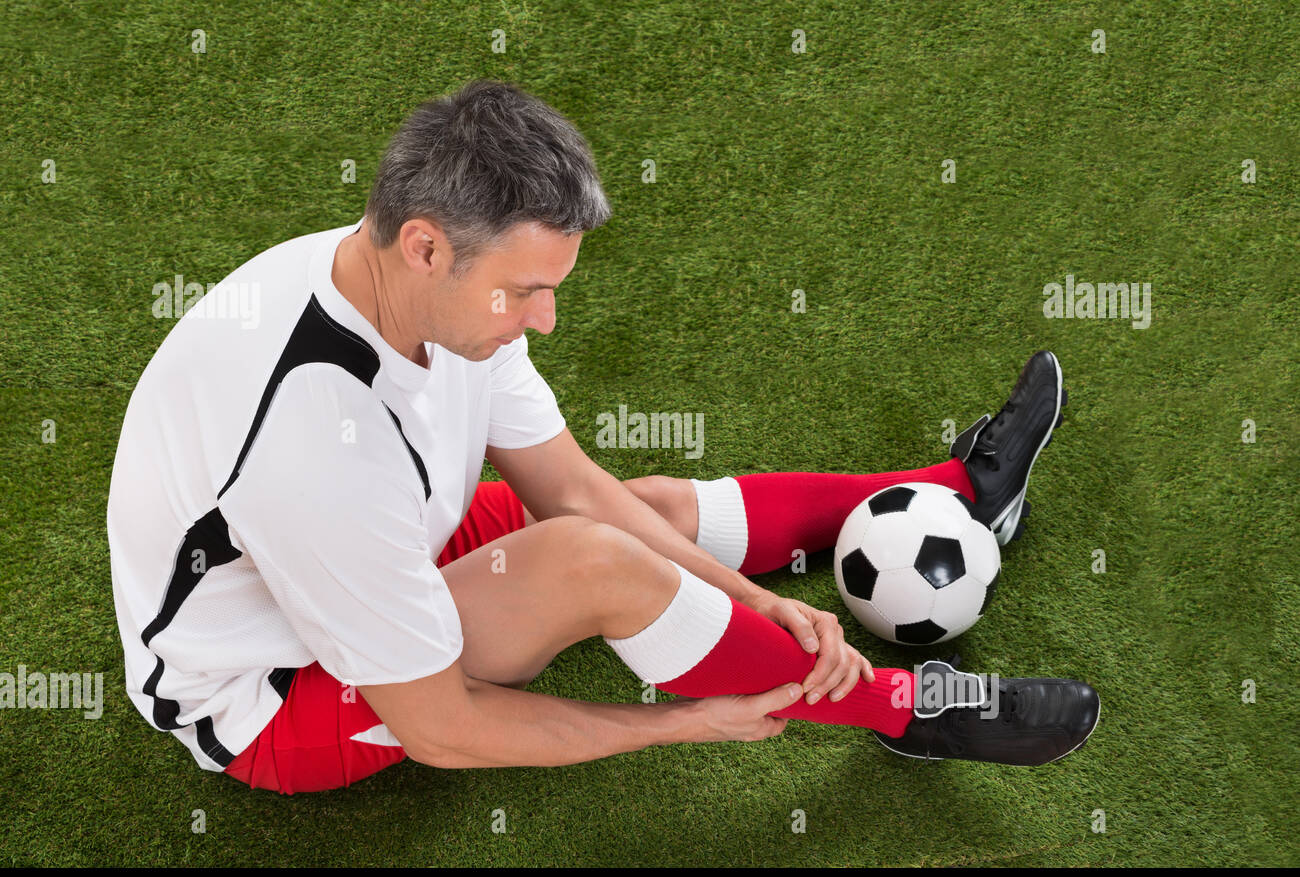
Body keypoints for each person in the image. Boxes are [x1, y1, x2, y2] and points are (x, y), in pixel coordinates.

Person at [107, 79, 1098, 795]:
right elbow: (443, 727)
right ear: (424, 245)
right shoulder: (313, 447)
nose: (543, 320)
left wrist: (753, 597)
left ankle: (958, 491)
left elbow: (572, 486)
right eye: (527, 290)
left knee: (640, 511)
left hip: (380, 540)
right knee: (593, 566)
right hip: (277, 695)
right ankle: (905, 714)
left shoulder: (419, 280)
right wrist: (677, 725)